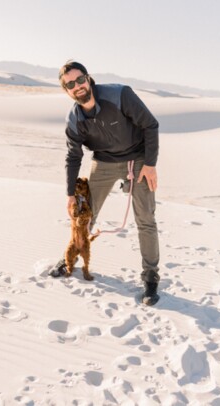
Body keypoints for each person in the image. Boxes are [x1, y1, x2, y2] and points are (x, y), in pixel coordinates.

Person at [49, 60, 160, 305]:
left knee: (145, 219)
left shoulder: (120, 94)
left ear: (88, 79)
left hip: (138, 159)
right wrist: (70, 194)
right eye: (70, 84)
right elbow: (73, 155)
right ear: (66, 91)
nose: (77, 86)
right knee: (83, 215)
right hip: (104, 162)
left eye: (80, 80)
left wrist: (150, 164)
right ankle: (70, 259)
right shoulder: (74, 119)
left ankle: (150, 278)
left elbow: (150, 125)